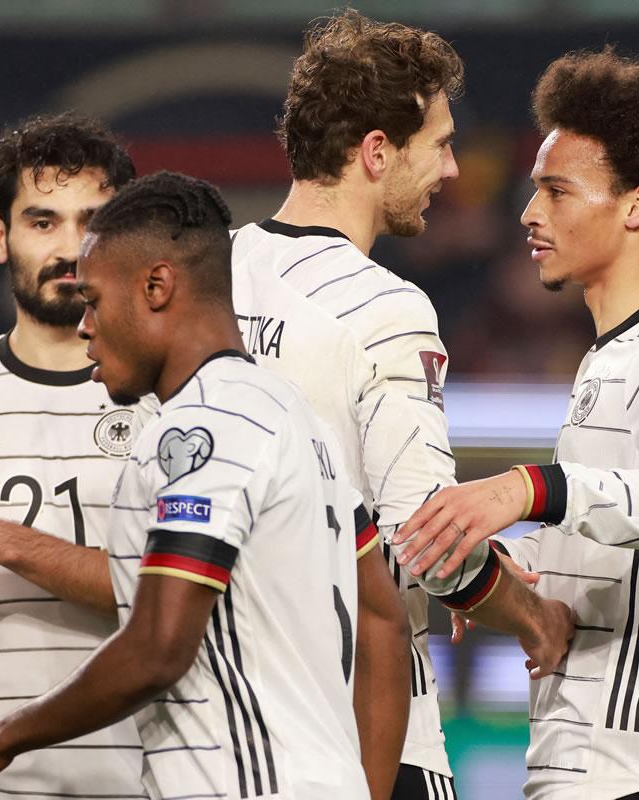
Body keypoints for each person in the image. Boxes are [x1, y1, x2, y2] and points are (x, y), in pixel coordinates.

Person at [230, 11, 575, 798]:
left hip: (223, 731)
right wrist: (532, 617)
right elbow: (429, 538)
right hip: (365, 730)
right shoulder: (387, 307)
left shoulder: (206, 275)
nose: (452, 171)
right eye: (441, 143)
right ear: (377, 152)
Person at [393, 49, 639, 798]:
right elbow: (621, 539)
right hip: (595, 767)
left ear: (637, 206)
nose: (529, 214)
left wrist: (525, 490)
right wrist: (516, 572)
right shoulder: (611, 360)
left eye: (557, 191)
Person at [0, 171, 374, 799]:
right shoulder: (297, 418)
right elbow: (385, 622)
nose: (85, 325)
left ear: (156, 286)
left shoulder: (205, 427)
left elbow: (156, 649)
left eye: (94, 300)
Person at [0, 113, 144, 798]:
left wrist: (2, 542)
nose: (70, 246)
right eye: (42, 221)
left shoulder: (171, 403)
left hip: (137, 779)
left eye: (91, 221)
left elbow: (171, 596)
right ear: (1, 237)